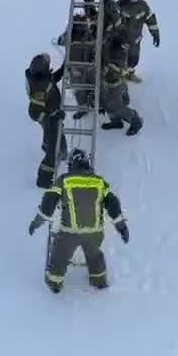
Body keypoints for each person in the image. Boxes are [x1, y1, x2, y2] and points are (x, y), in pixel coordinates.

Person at [28, 148, 128, 293]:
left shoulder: (64, 180)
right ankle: (99, 281)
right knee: (95, 257)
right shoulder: (100, 182)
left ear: (72, 164)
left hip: (70, 233)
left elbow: (49, 202)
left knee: (60, 255)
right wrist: (122, 228)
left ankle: (54, 283)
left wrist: (37, 222)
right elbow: (113, 204)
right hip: (94, 233)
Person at [26, 52, 66, 188]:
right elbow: (33, 113)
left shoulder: (43, 81)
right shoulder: (40, 89)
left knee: (56, 136)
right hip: (49, 118)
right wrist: (52, 117)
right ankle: (43, 179)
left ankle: (56, 148)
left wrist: (63, 68)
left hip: (51, 115)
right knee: (53, 151)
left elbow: (52, 80)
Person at [100, 32, 143, 135]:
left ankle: (135, 119)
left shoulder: (118, 54)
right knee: (105, 102)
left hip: (114, 83)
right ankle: (116, 121)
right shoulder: (112, 46)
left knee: (115, 105)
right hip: (109, 81)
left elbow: (117, 69)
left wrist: (106, 66)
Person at [116, 0, 160, 81]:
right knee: (119, 57)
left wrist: (155, 34)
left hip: (135, 39)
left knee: (134, 57)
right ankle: (118, 76)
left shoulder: (143, 7)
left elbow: (151, 19)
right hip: (121, 38)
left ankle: (130, 73)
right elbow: (112, 17)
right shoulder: (120, 5)